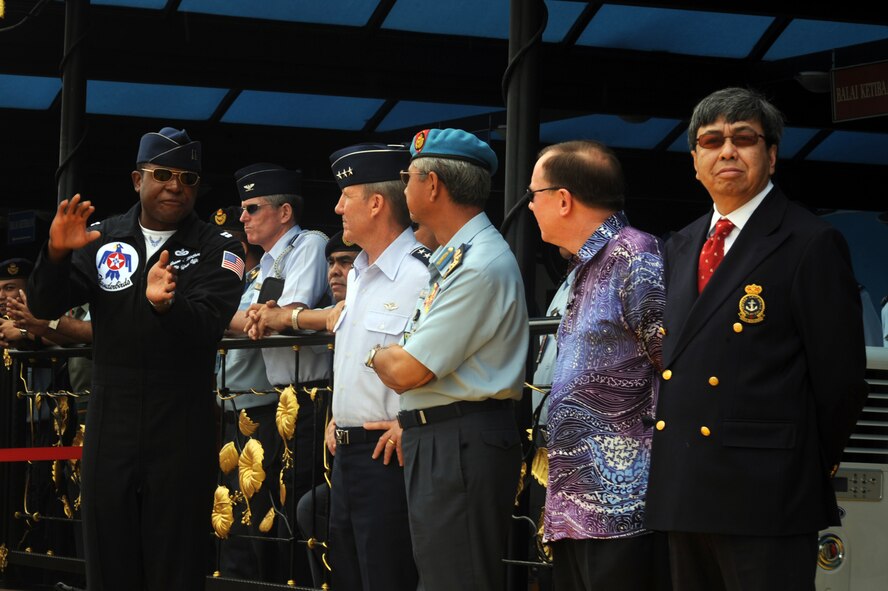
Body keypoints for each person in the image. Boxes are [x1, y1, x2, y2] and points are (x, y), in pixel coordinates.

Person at [644, 87, 869, 591]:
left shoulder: (809, 241)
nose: (727, 150)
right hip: (685, 488)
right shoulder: (680, 244)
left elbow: (842, 381)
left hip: (767, 493)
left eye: (744, 139)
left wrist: (799, 462)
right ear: (694, 161)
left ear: (770, 155)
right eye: (711, 140)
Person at [27, 126, 244, 590]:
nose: (175, 186)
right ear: (136, 180)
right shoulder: (104, 238)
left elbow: (209, 323)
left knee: (176, 560)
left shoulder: (219, 246)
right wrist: (57, 253)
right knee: (109, 557)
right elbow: (45, 306)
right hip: (112, 415)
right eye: (162, 174)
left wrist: (168, 304)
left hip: (181, 418)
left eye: (188, 178)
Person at [370, 128, 528, 591]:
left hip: (459, 439)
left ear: (433, 184)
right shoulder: (459, 255)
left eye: (407, 177)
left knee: (455, 580)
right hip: (446, 436)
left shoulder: (479, 262)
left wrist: (374, 353)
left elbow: (406, 369)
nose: (404, 188)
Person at [527, 140, 668, 590]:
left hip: (625, 506)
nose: (530, 206)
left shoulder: (635, 255)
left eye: (534, 194)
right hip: (576, 504)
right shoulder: (587, 264)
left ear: (563, 199)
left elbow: (672, 366)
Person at [324, 142, 427, 590]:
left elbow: (437, 360)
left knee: (387, 576)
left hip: (387, 454)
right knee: (348, 575)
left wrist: (412, 420)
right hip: (346, 453)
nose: (338, 206)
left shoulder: (420, 273)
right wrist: (335, 414)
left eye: (346, 196)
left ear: (377, 203)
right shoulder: (362, 272)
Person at [235, 162, 330, 583]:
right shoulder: (262, 266)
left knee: (296, 501)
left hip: (312, 394)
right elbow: (248, 317)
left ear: (285, 212)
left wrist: (262, 316)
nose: (243, 217)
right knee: (273, 499)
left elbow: (287, 312)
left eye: (252, 208)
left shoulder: (308, 244)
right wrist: (259, 316)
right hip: (282, 397)